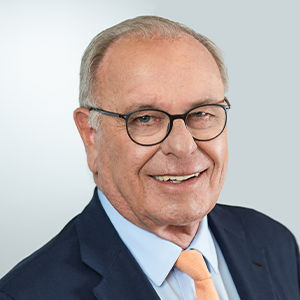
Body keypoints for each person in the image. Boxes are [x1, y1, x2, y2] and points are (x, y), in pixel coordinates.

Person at [0, 15, 299, 300]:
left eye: (202, 113)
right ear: (90, 134)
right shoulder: (28, 293)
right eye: (144, 119)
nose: (183, 146)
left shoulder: (274, 243)